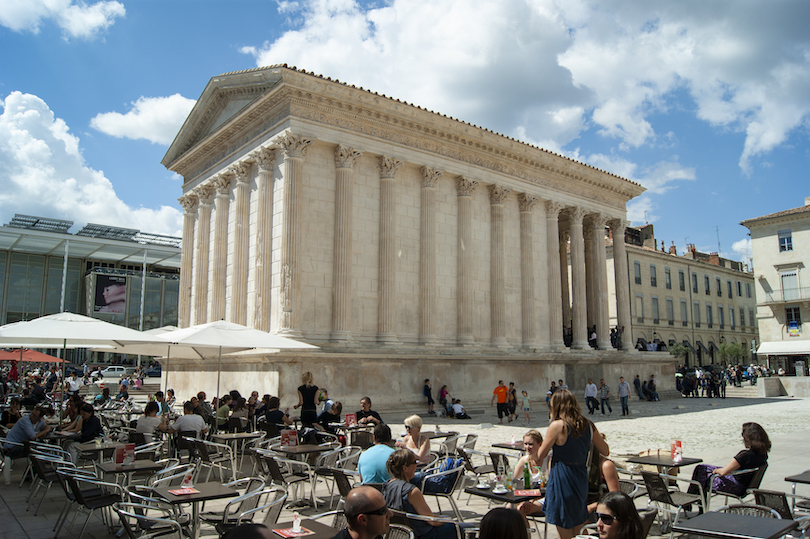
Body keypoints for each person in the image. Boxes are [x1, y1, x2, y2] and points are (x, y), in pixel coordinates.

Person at [536, 389, 609, 539]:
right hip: (580, 477)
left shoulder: (557, 426)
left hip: (561, 477)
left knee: (564, 527)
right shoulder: (588, 425)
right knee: (579, 525)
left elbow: (540, 455)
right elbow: (605, 450)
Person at [382, 449, 465, 539]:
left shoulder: (387, 485)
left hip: (398, 532)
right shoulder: (412, 491)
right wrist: (448, 519)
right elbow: (432, 521)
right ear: (405, 468)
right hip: (421, 534)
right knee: (459, 527)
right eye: (414, 462)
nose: (417, 464)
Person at [689, 422, 770, 498]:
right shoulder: (763, 455)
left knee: (701, 471)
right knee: (701, 468)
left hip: (735, 486)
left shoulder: (745, 455)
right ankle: (693, 498)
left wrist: (716, 471)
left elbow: (724, 471)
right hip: (745, 486)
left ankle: (693, 499)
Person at [513, 430, 550, 517]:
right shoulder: (524, 460)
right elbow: (514, 480)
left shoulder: (548, 459)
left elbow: (550, 484)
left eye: (531, 444)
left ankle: (525, 531)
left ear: (540, 444)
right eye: (525, 444)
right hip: (528, 496)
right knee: (508, 508)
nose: (527, 447)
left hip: (545, 497)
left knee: (521, 509)